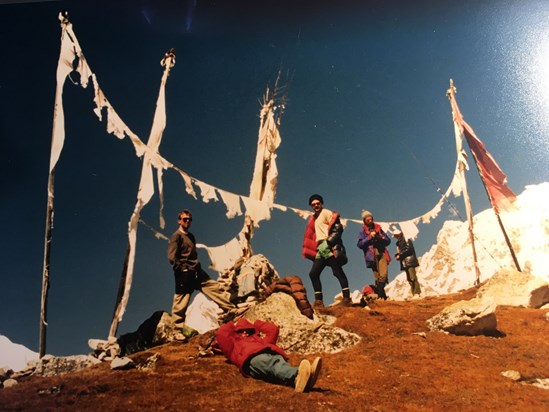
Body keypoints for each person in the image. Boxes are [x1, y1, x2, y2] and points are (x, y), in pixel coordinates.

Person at [167, 209, 239, 341]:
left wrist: (195, 267)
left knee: (213, 287)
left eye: (189, 219)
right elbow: (172, 256)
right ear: (179, 221)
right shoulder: (176, 236)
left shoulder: (191, 237)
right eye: (184, 219)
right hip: (184, 272)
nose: (187, 221)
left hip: (196, 270)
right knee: (181, 300)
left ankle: (230, 309)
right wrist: (182, 269)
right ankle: (177, 330)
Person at [214, 318, 322, 392]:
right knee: (273, 364)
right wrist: (231, 323)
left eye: (247, 330)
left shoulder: (260, 340)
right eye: (241, 331)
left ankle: (304, 380)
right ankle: (297, 374)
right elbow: (221, 334)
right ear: (235, 332)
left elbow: (273, 330)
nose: (245, 333)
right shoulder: (233, 345)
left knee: (277, 365)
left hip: (270, 355)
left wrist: (256, 324)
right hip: (252, 360)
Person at [302, 194, 350, 308]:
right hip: (320, 248)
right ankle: (319, 302)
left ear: (321, 203)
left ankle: (347, 298)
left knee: (337, 271)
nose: (316, 205)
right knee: (313, 274)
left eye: (318, 203)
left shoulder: (326, 213)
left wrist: (329, 242)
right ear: (311, 206)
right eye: (313, 204)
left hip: (328, 245)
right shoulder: (314, 218)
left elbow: (338, 227)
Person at [357, 210, 391, 300]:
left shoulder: (379, 229)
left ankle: (380, 296)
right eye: (368, 220)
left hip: (381, 252)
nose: (370, 221)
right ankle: (383, 297)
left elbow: (388, 241)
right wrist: (369, 237)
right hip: (371, 256)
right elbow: (360, 245)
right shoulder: (362, 233)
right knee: (377, 278)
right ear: (364, 221)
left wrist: (379, 237)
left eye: (371, 219)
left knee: (383, 275)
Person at [393, 229, 422, 296]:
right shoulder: (399, 243)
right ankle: (414, 293)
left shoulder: (406, 239)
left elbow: (409, 249)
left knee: (412, 277)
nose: (395, 237)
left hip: (409, 261)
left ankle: (417, 292)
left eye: (395, 236)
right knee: (409, 279)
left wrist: (400, 255)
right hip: (405, 262)